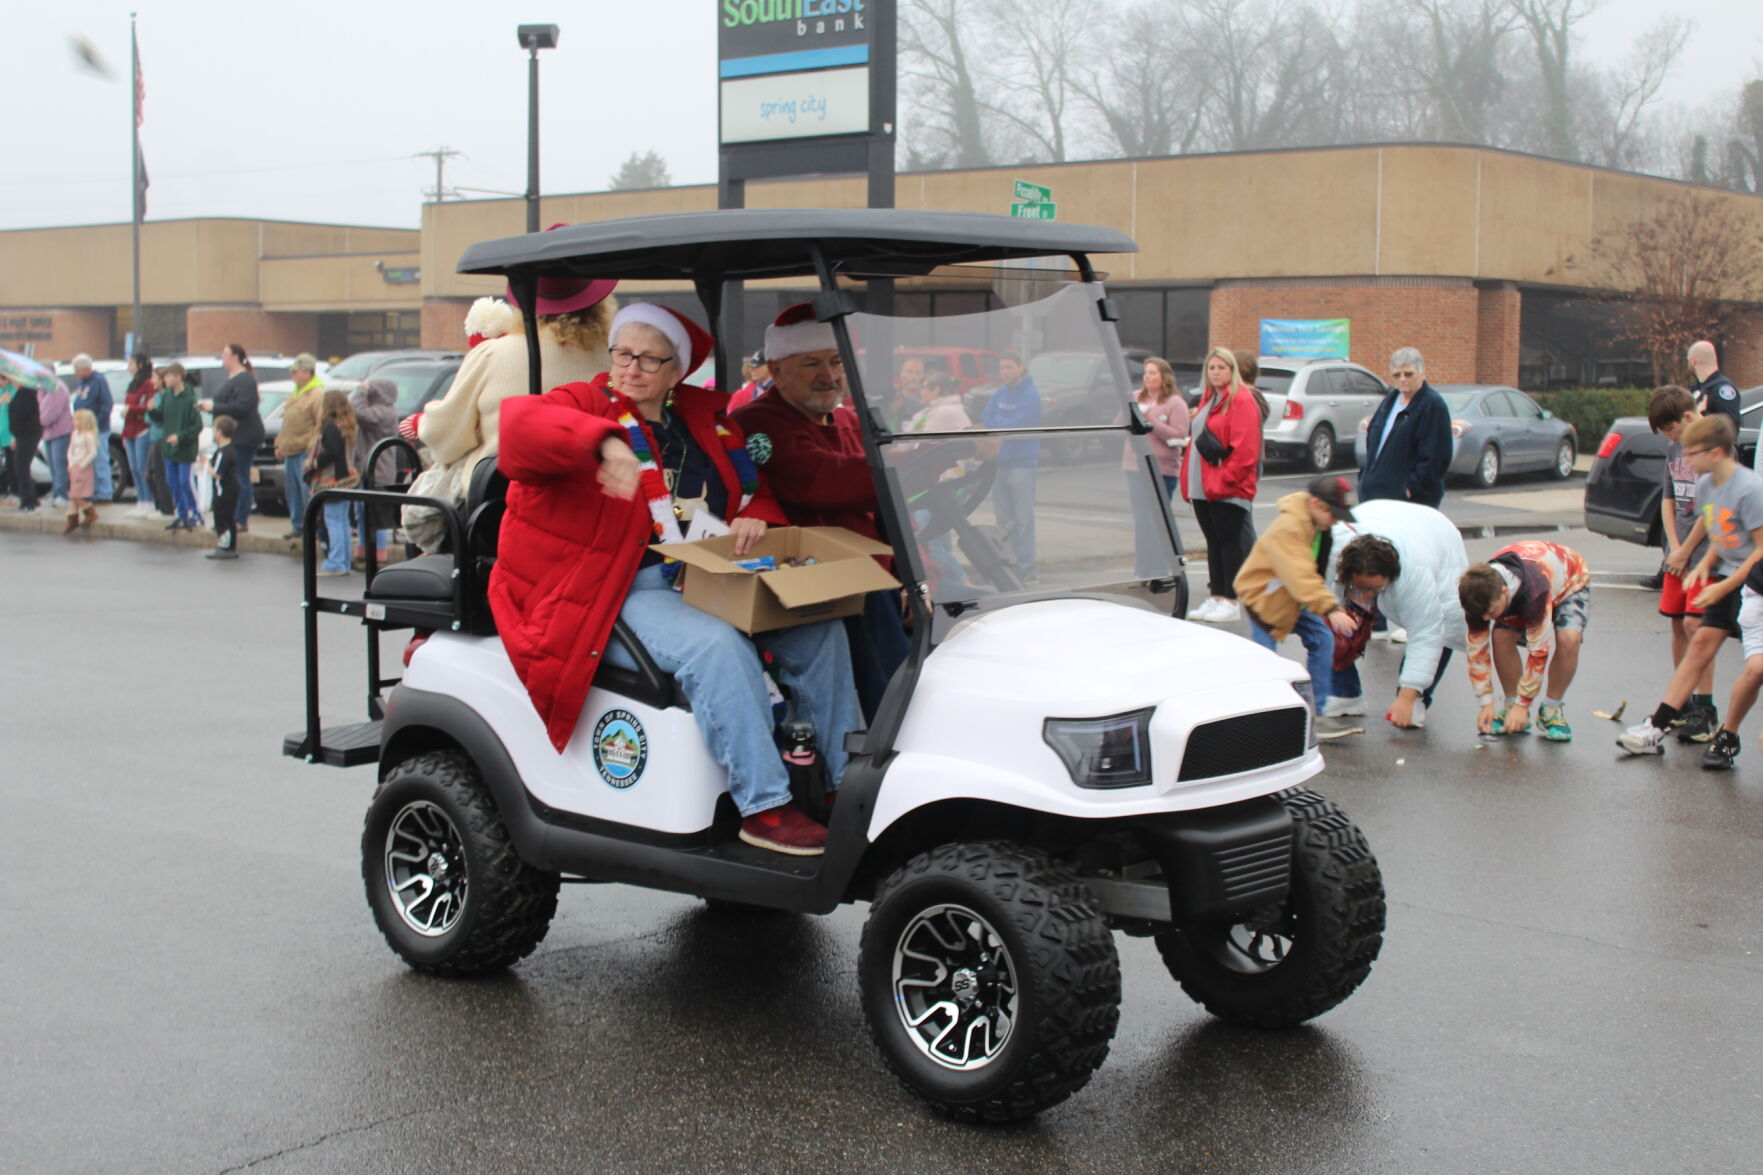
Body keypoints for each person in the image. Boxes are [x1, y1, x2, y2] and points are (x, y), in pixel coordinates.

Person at [493, 302, 860, 857]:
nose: (631, 368)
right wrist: (599, 443)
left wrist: (760, 512)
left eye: (649, 359)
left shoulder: (705, 424)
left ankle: (842, 789)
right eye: (623, 354)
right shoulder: (585, 403)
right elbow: (520, 429)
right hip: (618, 589)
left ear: (675, 372)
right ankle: (765, 807)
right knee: (716, 647)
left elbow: (751, 488)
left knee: (821, 632)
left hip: (706, 575)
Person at [732, 304, 910, 721]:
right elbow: (822, 482)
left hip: (869, 579)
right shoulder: (759, 422)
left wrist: (913, 577)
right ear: (775, 371)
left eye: (834, 362)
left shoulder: (849, 419)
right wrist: (913, 463)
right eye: (811, 363)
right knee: (892, 682)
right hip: (811, 584)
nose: (828, 375)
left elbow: (890, 506)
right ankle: (886, 740)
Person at [403, 261, 617, 552]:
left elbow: (446, 437)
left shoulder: (494, 353)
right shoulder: (616, 360)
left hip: (498, 509)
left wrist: (426, 423)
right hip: (594, 505)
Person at [1618, 415, 1763, 756]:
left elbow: (1759, 550)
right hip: (1728, 577)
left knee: (1756, 668)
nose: (1685, 461)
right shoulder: (1706, 486)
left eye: (1692, 453)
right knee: (1698, 642)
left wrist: (1724, 588)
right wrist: (1706, 567)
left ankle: (1727, 733)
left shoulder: (1751, 489)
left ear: (1716, 453)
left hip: (1754, 581)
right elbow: (1722, 533)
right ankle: (1658, 724)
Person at [1234, 475, 1363, 739]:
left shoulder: (1317, 524)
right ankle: (1259, 719)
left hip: (1294, 596)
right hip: (1264, 597)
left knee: (1323, 639)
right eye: (1333, 513)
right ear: (1315, 503)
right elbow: (1299, 573)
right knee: (1266, 660)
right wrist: (1330, 608)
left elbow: (1310, 573)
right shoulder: (1290, 527)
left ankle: (1315, 713)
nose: (1336, 520)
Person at [1326, 500, 1470, 729]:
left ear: (1391, 577)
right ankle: (1344, 693)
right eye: (1359, 586)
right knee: (1330, 621)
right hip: (1379, 515)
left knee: (1442, 622)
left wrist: (1407, 696)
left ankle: (1418, 698)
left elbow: (1427, 632)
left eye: (1374, 589)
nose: (1366, 595)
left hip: (1435, 533)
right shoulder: (1334, 554)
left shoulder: (1415, 573)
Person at [1459, 539, 1590, 741]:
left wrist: (1524, 704)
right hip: (1531, 580)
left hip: (1569, 580)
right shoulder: (1478, 595)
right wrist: (1486, 703)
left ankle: (1551, 710)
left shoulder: (1533, 593)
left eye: (1492, 612)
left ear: (1504, 592)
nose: (1487, 619)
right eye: (1482, 616)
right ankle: (1510, 704)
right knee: (1500, 635)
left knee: (1569, 639)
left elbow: (1538, 652)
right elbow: (1477, 652)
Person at [1647, 386, 1720, 740]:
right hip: (1677, 555)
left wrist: (1688, 551)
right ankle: (1681, 703)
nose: (1668, 439)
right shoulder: (1675, 448)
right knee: (1677, 625)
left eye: (1669, 430)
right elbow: (1668, 498)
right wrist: (1673, 549)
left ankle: (1704, 709)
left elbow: (1714, 508)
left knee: (1698, 628)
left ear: (1688, 418)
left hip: (1705, 555)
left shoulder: (1714, 444)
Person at [1182, 346, 1262, 622]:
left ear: (1232, 370)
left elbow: (1245, 450)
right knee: (1213, 543)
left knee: (1229, 543)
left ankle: (1230, 600)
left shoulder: (1241, 399)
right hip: (1202, 485)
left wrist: (1226, 479)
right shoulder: (1209, 398)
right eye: (1212, 367)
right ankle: (1216, 596)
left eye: (1221, 367)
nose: (1216, 372)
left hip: (1225, 487)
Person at [1358, 347, 1453, 509]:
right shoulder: (1390, 401)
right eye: (1397, 375)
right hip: (1375, 496)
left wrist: (1412, 487)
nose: (1402, 379)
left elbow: (1436, 457)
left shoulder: (1432, 405)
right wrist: (1364, 479)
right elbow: (1374, 442)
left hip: (1408, 501)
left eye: (1408, 374)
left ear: (1422, 373)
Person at [1123, 356, 1190, 579]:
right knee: (1142, 521)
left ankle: (1160, 569)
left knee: (1157, 521)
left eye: (1152, 372)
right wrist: (1127, 413)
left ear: (1164, 376)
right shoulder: (1135, 397)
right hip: (1135, 466)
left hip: (1162, 469)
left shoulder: (1175, 403)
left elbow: (1179, 435)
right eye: (1145, 373)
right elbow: (1119, 424)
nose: (1147, 377)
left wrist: (1152, 420)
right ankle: (1142, 570)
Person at [982, 351, 1044, 584]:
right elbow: (986, 418)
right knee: (1004, 522)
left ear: (1020, 368)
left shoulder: (1031, 395)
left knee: (1023, 520)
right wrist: (1000, 426)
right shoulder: (999, 394)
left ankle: (1027, 569)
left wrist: (999, 425)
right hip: (1000, 463)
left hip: (1022, 464)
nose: (1004, 372)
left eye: (1009, 367)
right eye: (1002, 368)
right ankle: (1008, 565)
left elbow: (1021, 423)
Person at [197, 343, 263, 533]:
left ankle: (240, 519)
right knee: (229, 478)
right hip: (228, 436)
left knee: (241, 476)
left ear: (235, 357)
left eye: (225, 354)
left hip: (244, 436)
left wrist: (215, 408)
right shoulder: (232, 378)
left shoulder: (245, 380)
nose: (222, 357)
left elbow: (242, 407)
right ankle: (228, 517)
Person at [305, 390, 359, 577]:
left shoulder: (330, 427)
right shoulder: (346, 425)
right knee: (342, 521)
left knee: (334, 521)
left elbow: (332, 452)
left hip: (332, 480)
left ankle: (336, 562)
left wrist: (315, 462)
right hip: (348, 478)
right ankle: (343, 561)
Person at [275, 353, 325, 539]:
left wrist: (311, 448)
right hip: (290, 449)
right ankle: (297, 526)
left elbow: (319, 424)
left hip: (304, 451)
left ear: (307, 372)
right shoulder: (295, 392)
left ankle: (311, 527)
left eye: (296, 372)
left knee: (306, 492)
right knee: (293, 492)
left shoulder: (316, 394)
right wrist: (280, 443)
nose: (293, 375)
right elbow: (287, 420)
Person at [350, 377, 399, 562]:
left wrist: (361, 391)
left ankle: (378, 553)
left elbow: (358, 412)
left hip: (378, 472)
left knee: (376, 516)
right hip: (367, 470)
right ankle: (364, 549)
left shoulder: (384, 412)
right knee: (362, 513)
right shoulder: (380, 410)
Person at [151, 363, 203, 531]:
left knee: (184, 482)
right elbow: (160, 418)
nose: (165, 380)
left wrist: (180, 437)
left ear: (178, 377)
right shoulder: (167, 396)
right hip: (169, 449)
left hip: (184, 448)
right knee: (172, 483)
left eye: (168, 376)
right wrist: (151, 411)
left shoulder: (189, 398)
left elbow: (197, 426)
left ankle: (196, 513)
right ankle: (181, 515)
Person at [69, 355, 115, 502]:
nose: (75, 373)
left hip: (98, 429)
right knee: (89, 462)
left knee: (100, 459)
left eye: (77, 370)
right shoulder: (82, 382)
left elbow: (107, 404)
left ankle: (105, 492)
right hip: (84, 428)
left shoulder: (99, 381)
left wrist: (94, 422)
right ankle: (92, 491)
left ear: (85, 369)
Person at [119, 352, 157, 515]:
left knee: (143, 467)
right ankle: (141, 500)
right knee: (133, 467)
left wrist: (131, 409)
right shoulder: (133, 383)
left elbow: (149, 406)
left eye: (131, 364)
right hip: (129, 430)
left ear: (140, 365)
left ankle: (149, 500)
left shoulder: (148, 384)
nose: (129, 368)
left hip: (142, 429)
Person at [2, 376, 41, 513]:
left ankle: (27, 501)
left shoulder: (27, 394)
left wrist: (8, 402)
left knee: (21, 467)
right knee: (20, 467)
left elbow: (20, 414)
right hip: (20, 435)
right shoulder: (19, 393)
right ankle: (31, 498)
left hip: (27, 435)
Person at [206, 414, 241, 560]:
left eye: (214, 430)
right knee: (227, 517)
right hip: (228, 489)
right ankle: (229, 545)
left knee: (223, 517)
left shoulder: (224, 452)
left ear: (219, 432)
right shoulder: (226, 450)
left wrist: (207, 468)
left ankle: (225, 545)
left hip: (225, 489)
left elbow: (218, 473)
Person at [1687, 340, 1740, 433]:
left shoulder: (1722, 389)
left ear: (1693, 361)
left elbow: (1731, 428)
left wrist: (1702, 416)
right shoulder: (1697, 389)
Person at [38, 371, 72, 509]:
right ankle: (55, 493)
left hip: (60, 431)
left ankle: (61, 495)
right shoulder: (43, 389)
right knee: (52, 465)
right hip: (48, 433)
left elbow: (50, 413)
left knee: (59, 464)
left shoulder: (57, 388)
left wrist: (38, 420)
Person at [63, 408, 99, 533]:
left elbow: (93, 452)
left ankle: (90, 511)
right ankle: (72, 519)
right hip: (74, 466)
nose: (74, 422)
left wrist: (83, 464)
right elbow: (70, 450)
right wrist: (71, 462)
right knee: (74, 494)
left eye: (76, 420)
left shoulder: (88, 436)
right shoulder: (75, 434)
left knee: (75, 494)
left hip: (83, 467)